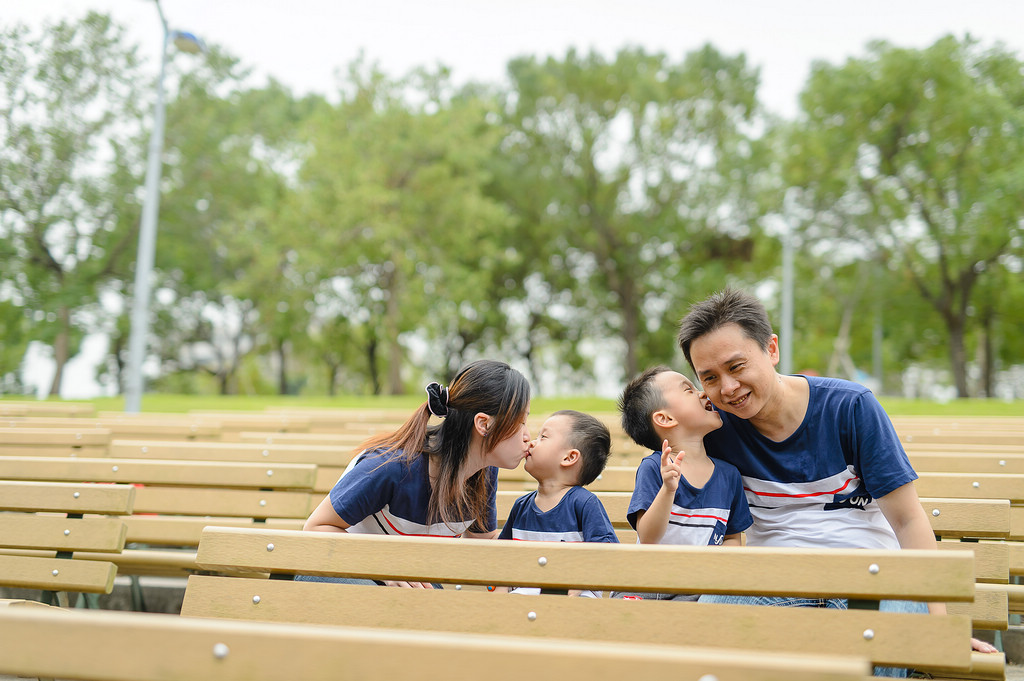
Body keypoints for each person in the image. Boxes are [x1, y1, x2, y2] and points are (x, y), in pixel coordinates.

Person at [675, 288, 996, 672]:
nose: (727, 388)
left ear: (771, 349)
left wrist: (939, 629)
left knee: (886, 637)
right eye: (709, 378)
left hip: (871, 576)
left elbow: (909, 522)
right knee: (708, 625)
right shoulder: (715, 429)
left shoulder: (850, 407)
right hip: (774, 583)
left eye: (737, 366)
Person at [301, 358, 531, 588]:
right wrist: (383, 565)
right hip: (334, 571)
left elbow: (482, 545)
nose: (528, 436)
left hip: (405, 578)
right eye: (520, 422)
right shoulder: (392, 467)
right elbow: (315, 529)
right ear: (484, 424)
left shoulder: (483, 473)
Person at [612, 366, 752, 600]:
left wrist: (716, 574)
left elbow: (731, 538)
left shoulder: (729, 476)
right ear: (665, 418)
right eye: (689, 390)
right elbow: (648, 538)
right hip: (648, 586)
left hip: (699, 590)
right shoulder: (655, 468)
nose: (704, 393)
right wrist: (668, 489)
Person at [496, 410, 618, 596]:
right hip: (522, 601)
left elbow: (605, 553)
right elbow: (502, 558)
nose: (532, 442)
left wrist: (571, 592)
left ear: (569, 458)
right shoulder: (521, 506)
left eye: (543, 437)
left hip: (575, 602)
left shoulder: (584, 504)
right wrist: (500, 596)